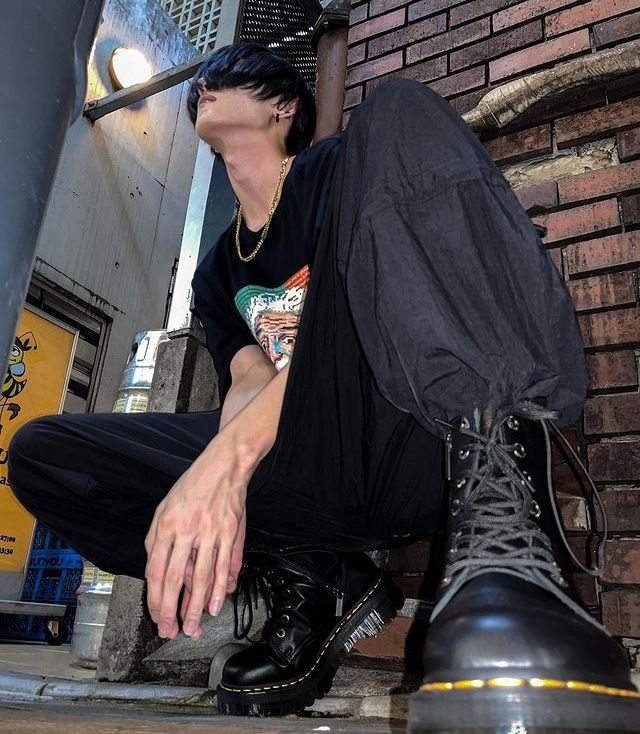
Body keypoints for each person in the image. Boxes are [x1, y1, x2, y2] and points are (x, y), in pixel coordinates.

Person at [8, 42, 640, 730]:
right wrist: (223, 472)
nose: (205, 90)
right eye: (202, 84)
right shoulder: (219, 267)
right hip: (306, 459)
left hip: (412, 429)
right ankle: (307, 570)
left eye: (227, 80)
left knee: (398, 108)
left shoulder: (338, 171)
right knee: (45, 454)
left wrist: (227, 461)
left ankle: (511, 548)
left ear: (283, 110)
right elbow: (249, 378)